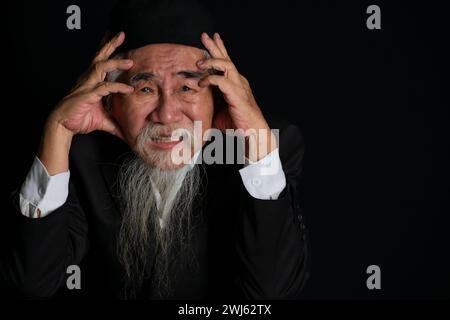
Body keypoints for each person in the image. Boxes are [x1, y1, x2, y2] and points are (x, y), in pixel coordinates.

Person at [2, 0, 308, 299]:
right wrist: (58, 130)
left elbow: (271, 292)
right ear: (109, 98)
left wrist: (258, 146)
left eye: (186, 88)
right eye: (144, 89)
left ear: (218, 95)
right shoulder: (75, 154)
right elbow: (33, 283)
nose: (166, 114)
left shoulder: (267, 146)